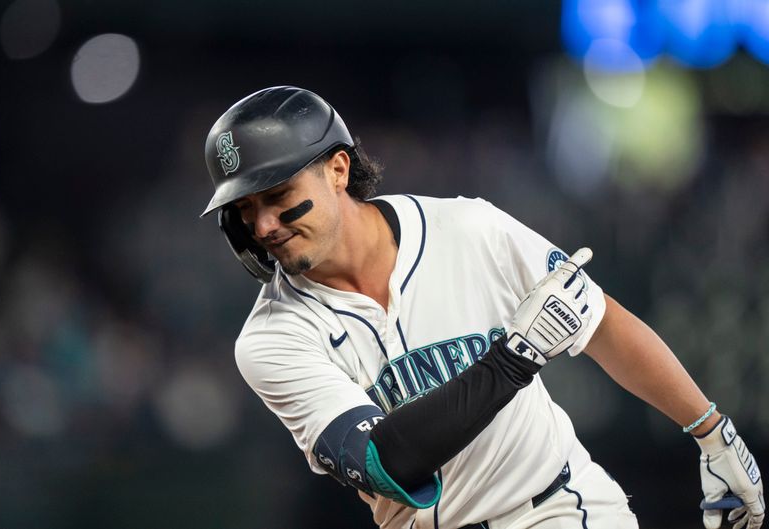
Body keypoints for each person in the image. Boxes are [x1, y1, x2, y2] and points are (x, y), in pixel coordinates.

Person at [199, 86, 764, 529]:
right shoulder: (271, 339)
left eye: (276, 196)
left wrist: (711, 431)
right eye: (246, 210)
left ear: (339, 170)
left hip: (560, 508)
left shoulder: (467, 228)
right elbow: (387, 464)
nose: (264, 225)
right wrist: (514, 358)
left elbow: (602, 324)